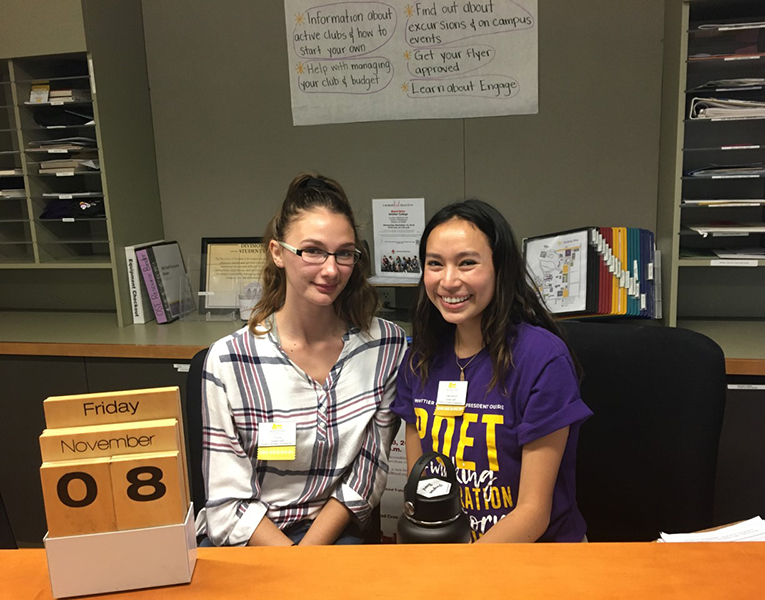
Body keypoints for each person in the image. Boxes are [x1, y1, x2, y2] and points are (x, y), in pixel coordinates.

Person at [197, 172, 407, 546]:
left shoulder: (385, 346)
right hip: (249, 539)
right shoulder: (229, 361)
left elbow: (368, 471)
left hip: (329, 535)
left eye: (344, 253)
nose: (331, 269)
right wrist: (290, 563)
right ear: (278, 253)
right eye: (312, 251)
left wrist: (307, 555)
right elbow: (226, 500)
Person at [391, 199, 592, 543]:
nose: (448, 280)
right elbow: (423, 491)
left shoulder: (541, 359)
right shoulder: (419, 360)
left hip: (536, 556)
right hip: (452, 555)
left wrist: (460, 576)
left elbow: (533, 514)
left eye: (467, 263)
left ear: (501, 268)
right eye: (435, 264)